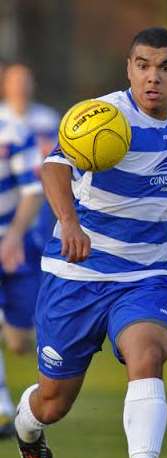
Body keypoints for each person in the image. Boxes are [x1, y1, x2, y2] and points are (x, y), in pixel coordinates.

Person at [14, 27, 167, 458]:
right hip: (77, 274)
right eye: (143, 65)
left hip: (146, 275)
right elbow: (54, 166)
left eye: (165, 67)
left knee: (147, 355)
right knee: (54, 402)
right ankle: (27, 424)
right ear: (129, 68)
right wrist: (71, 223)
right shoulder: (101, 116)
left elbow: (157, 189)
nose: (153, 77)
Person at [0, 94, 43, 436]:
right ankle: (2, 408)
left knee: (19, 341)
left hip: (14, 245)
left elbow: (33, 190)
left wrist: (14, 236)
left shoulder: (14, 132)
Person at [0, 62, 60, 248]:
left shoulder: (47, 118)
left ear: (33, 85)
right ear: (5, 85)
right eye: (15, 82)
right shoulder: (3, 119)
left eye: (25, 82)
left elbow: (60, 155)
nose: (20, 87)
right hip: (9, 193)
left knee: (37, 242)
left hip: (41, 191)